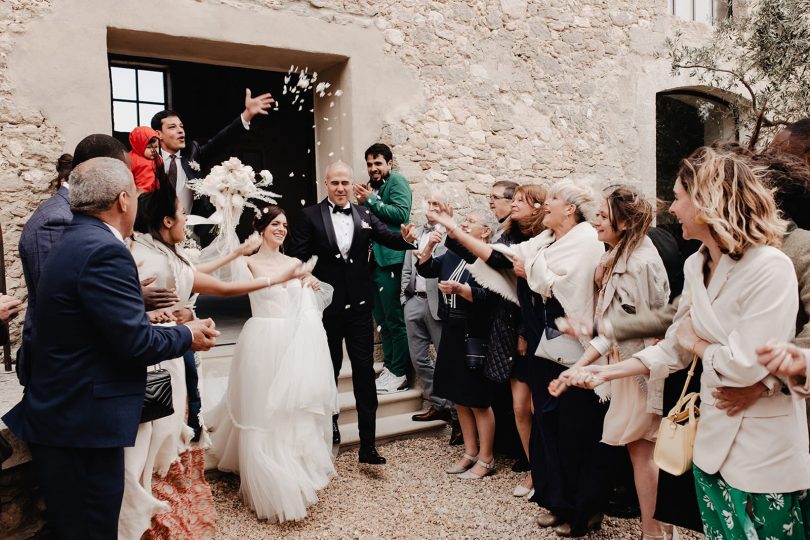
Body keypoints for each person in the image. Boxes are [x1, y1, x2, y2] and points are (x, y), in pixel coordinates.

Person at [565, 147, 810, 539]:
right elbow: (673, 347)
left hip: (764, 445)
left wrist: (698, 344)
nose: (672, 208)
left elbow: (744, 365)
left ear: (707, 200)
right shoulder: (696, 264)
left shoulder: (770, 266)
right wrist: (604, 371)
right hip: (710, 439)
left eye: (678, 197)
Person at [1, 157, 219, 540]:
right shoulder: (105, 250)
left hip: (65, 416)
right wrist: (187, 334)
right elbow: (133, 343)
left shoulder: (75, 239)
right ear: (123, 200)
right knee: (93, 529)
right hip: (82, 426)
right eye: (135, 193)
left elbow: (95, 326)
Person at [119, 183, 299, 539]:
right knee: (154, 445)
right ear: (167, 220)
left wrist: (266, 272)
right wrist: (165, 315)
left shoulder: (166, 252)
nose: (187, 218)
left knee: (174, 431)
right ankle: (149, 521)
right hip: (157, 361)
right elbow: (204, 287)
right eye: (182, 213)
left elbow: (199, 276)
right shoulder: (147, 257)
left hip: (176, 353)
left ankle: (169, 515)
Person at [549, 186, 670, 539]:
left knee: (644, 453)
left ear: (625, 222)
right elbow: (615, 330)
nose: (596, 220)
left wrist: (586, 365)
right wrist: (580, 366)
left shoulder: (640, 264)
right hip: (623, 369)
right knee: (638, 452)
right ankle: (656, 530)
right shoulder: (618, 258)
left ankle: (655, 533)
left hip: (641, 371)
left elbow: (652, 325)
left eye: (603, 215)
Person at [208, 205, 338, 522]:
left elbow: (309, 301)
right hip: (261, 339)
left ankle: (292, 464)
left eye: (284, 224)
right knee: (261, 405)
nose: (281, 228)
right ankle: (262, 470)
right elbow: (221, 279)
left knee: (286, 408)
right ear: (262, 228)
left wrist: (312, 286)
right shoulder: (248, 263)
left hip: (291, 342)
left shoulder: (295, 262)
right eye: (275, 224)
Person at [16, 137, 178, 386]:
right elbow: (58, 299)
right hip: (63, 369)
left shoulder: (78, 212)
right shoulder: (56, 219)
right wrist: (132, 297)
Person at [287, 161, 416, 464]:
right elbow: (297, 257)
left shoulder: (365, 213)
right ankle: (329, 427)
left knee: (364, 375)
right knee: (327, 372)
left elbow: (388, 236)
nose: (341, 188)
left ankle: (368, 445)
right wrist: (305, 277)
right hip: (325, 309)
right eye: (335, 183)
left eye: (346, 183)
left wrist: (408, 238)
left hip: (360, 309)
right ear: (326, 183)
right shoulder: (308, 216)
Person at [434, 184, 547, 494]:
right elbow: (489, 261)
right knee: (520, 407)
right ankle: (534, 470)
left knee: (532, 408)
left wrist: (523, 332)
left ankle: (536, 470)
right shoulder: (507, 238)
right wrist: (450, 229)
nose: (509, 205)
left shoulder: (538, 241)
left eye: (517, 200)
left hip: (531, 330)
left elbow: (522, 291)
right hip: (507, 329)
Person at [416, 209, 497, 479]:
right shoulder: (453, 252)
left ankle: (486, 458)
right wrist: (428, 246)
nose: (464, 223)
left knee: (477, 399)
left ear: (485, 231)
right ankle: (469, 453)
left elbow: (493, 298)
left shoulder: (488, 257)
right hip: (451, 326)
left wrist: (462, 291)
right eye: (464, 220)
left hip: (474, 330)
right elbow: (427, 268)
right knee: (459, 396)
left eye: (471, 222)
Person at [150, 88, 274, 216]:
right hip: (154, 229)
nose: (180, 130)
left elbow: (220, 141)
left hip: (190, 229)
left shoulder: (192, 153)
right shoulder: (149, 160)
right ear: (159, 134)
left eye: (181, 126)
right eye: (172, 127)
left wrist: (247, 114)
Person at [353, 143, 413, 394]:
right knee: (382, 321)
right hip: (373, 262)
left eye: (378, 163)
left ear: (390, 163)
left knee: (394, 319)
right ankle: (390, 368)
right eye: (369, 164)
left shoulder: (397, 182)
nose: (373, 168)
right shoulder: (368, 187)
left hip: (392, 259)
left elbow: (401, 213)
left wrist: (371, 201)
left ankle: (400, 372)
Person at [402, 192, 454, 424]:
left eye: (437, 204)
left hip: (438, 305)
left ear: (447, 208)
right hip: (414, 301)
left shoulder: (451, 234)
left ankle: (455, 413)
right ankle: (438, 403)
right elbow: (407, 268)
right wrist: (405, 299)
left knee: (446, 360)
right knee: (419, 358)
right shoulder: (417, 232)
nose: (431, 207)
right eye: (429, 202)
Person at [129, 126, 163, 192]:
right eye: (149, 147)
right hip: (145, 196)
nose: (153, 150)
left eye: (156, 146)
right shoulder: (145, 164)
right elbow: (145, 186)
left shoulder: (131, 155)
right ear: (139, 146)